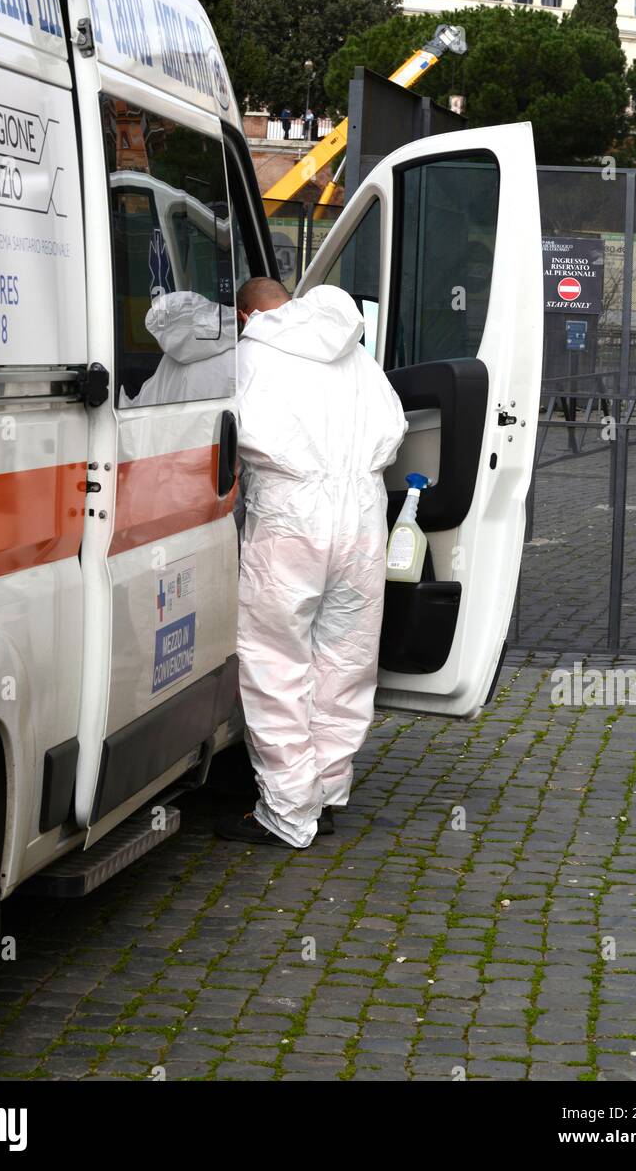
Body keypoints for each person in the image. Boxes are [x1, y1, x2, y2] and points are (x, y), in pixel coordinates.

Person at [216, 278, 407, 849]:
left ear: (246, 314)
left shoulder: (249, 355)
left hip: (289, 513)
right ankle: (324, 794)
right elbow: (394, 426)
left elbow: (225, 434)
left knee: (276, 661)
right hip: (363, 514)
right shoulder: (354, 355)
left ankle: (288, 810)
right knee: (344, 660)